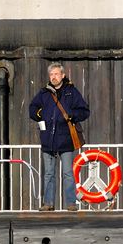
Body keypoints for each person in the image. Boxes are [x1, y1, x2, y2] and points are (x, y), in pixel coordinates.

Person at [29, 62, 90, 211]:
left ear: (63, 75)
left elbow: (84, 111)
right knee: (49, 174)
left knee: (68, 173)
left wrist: (71, 115)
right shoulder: (44, 93)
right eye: (51, 74)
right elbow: (32, 108)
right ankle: (48, 203)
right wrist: (40, 114)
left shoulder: (71, 91)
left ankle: (71, 203)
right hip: (47, 139)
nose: (54, 77)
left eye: (56, 74)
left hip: (66, 139)